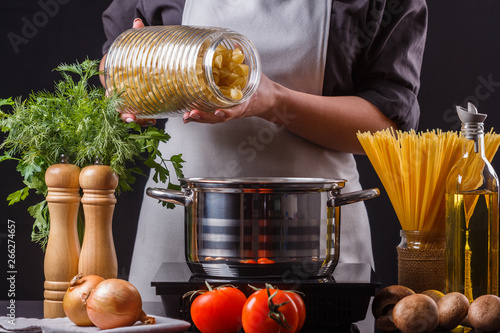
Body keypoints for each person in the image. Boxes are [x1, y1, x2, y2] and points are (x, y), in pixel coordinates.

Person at [101, 0, 427, 330]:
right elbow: (114, 58)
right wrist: (126, 76)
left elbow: (387, 127)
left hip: (315, 235)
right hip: (184, 222)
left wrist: (273, 100)